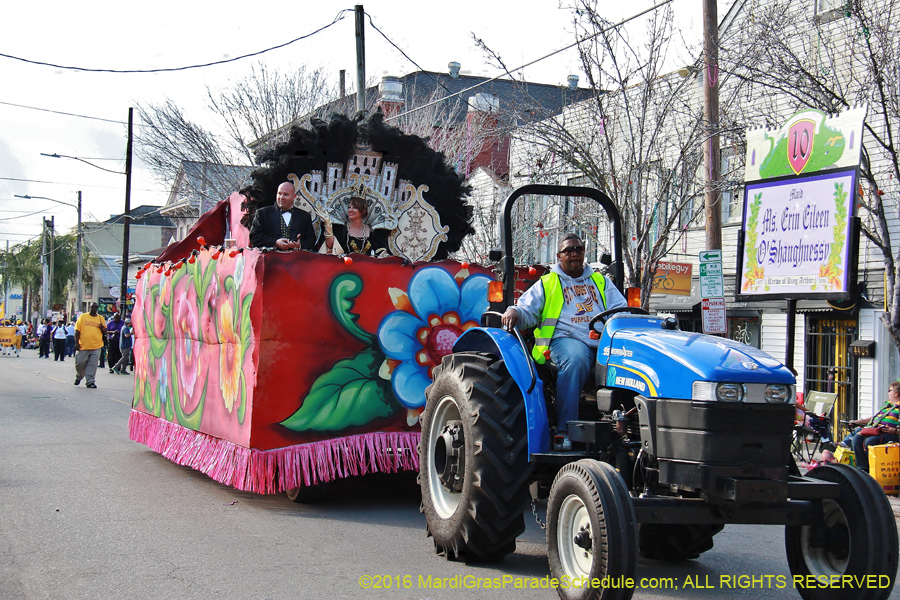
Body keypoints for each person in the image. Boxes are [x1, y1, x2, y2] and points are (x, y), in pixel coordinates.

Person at [501, 233, 627, 450]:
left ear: (584, 253)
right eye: (568, 250)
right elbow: (527, 310)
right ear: (559, 256)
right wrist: (514, 311)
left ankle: (625, 427)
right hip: (564, 341)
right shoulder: (548, 283)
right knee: (576, 358)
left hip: (603, 344)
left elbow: (621, 311)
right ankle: (565, 431)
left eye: (578, 249)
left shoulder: (600, 281)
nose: (574, 254)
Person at [841, 380, 900, 472]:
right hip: (875, 430)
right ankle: (862, 468)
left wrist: (895, 431)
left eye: (890, 390)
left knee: (870, 441)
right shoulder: (887, 405)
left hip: (891, 434)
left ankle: (873, 468)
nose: (888, 393)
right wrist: (858, 421)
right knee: (857, 439)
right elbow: (874, 418)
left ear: (896, 393)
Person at [249, 181, 316, 250]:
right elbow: (254, 237)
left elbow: (311, 240)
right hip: (270, 258)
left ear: (294, 197)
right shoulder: (262, 213)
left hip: (296, 259)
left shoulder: (304, 216)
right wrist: (275, 242)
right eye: (279, 194)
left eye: (285, 194)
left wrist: (299, 244)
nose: (281, 197)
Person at [320, 196, 390, 256]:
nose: (350, 210)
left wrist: (385, 255)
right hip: (345, 268)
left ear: (363, 211)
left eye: (355, 208)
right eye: (349, 207)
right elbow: (330, 246)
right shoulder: (341, 230)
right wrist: (328, 224)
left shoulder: (372, 232)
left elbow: (380, 250)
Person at [74, 302, 107, 389]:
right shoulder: (83, 317)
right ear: (89, 307)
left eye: (96, 307)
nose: (94, 308)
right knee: (80, 363)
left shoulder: (100, 318)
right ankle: (79, 376)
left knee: (93, 364)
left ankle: (90, 382)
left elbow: (105, 331)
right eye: (93, 307)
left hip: (96, 346)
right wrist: (76, 342)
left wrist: (102, 328)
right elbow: (77, 330)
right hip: (83, 346)